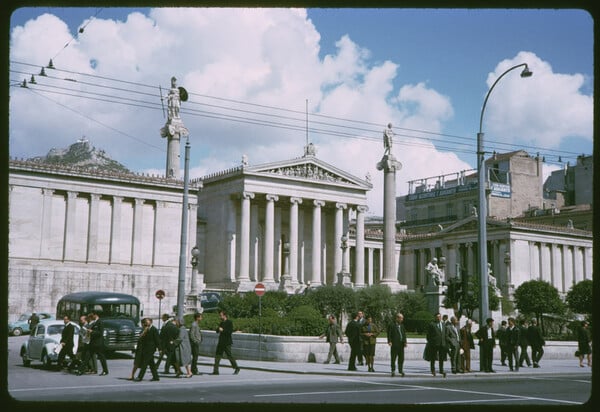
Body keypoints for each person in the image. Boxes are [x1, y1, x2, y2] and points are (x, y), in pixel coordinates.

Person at [77, 311, 108, 376]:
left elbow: (100, 333)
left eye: (91, 316)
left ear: (95, 315)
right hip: (93, 343)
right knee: (87, 356)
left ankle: (105, 370)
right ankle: (81, 370)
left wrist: (92, 331)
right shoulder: (94, 322)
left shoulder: (100, 322)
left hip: (98, 343)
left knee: (102, 357)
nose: (90, 317)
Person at [211, 310, 240, 375]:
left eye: (221, 315)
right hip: (221, 342)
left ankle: (236, 367)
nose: (220, 316)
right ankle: (216, 371)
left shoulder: (229, 322)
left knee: (229, 356)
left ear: (224, 315)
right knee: (217, 356)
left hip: (227, 342)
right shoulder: (221, 323)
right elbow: (217, 331)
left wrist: (223, 330)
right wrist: (218, 329)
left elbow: (229, 332)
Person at [134, 317, 161, 382]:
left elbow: (157, 340)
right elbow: (141, 339)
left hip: (151, 349)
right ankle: (156, 377)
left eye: (147, 322)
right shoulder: (145, 329)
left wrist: (160, 349)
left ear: (150, 322)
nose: (146, 323)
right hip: (145, 348)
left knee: (144, 363)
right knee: (152, 364)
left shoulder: (154, 329)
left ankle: (140, 377)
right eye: (145, 322)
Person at [425, 313, 447, 377]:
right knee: (433, 358)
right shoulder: (432, 324)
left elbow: (444, 334)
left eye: (439, 317)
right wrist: (431, 342)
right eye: (437, 317)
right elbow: (428, 335)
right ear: (435, 317)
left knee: (441, 358)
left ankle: (441, 370)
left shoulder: (443, 324)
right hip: (434, 344)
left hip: (442, 344)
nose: (438, 318)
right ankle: (433, 370)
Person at [387, 313, 407, 377]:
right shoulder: (392, 325)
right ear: (397, 318)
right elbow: (389, 334)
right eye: (401, 318)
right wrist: (389, 341)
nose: (402, 319)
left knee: (401, 358)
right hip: (395, 344)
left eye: (402, 318)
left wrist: (405, 342)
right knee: (393, 358)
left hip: (401, 344)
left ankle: (400, 370)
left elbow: (404, 334)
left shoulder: (402, 326)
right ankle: (393, 370)